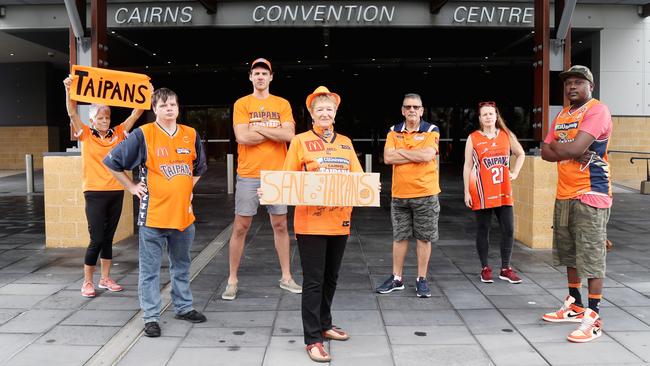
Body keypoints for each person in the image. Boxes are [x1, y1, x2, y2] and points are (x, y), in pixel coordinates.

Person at [104, 88, 208, 338]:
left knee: (181, 265)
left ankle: (183, 307)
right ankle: (151, 316)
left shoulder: (190, 134)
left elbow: (199, 167)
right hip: (153, 216)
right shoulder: (144, 134)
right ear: (155, 110)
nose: (169, 109)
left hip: (184, 216)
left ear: (178, 107)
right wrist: (130, 186)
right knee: (149, 270)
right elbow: (111, 161)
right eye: (163, 106)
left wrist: (188, 189)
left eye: (173, 104)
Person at [273, 86, 363, 363]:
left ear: (335, 113)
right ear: (312, 114)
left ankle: (325, 324)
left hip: (340, 221)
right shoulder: (300, 141)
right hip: (310, 223)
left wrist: (371, 187)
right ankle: (313, 338)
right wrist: (272, 189)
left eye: (329, 109)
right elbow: (288, 179)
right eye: (320, 109)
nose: (325, 113)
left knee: (331, 278)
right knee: (314, 281)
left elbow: (358, 178)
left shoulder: (346, 142)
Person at [541, 65, 613, 343]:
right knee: (569, 253)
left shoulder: (597, 110)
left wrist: (566, 147)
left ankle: (593, 316)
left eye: (578, 82)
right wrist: (570, 148)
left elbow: (564, 148)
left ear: (590, 86)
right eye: (568, 83)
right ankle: (575, 304)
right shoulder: (561, 115)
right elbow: (545, 151)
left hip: (591, 192)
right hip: (565, 193)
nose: (572, 87)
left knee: (592, 257)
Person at [223, 57, 301, 300]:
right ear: (250, 77)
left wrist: (257, 129)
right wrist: (273, 133)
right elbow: (242, 138)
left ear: (271, 77)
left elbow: (289, 135)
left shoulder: (282, 103)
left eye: (264, 73)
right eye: (255, 73)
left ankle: (286, 277)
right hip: (248, 174)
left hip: (277, 173)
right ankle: (232, 279)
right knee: (240, 227)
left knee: (280, 225)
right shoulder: (241, 104)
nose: (260, 77)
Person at [63, 76, 143, 298]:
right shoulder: (86, 134)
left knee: (108, 238)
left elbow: (135, 114)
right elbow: (71, 113)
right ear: (92, 120)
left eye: (107, 117)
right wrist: (68, 90)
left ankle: (105, 278)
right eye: (100, 117)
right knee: (96, 238)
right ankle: (87, 282)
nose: (105, 120)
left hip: (116, 192)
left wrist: (145, 92)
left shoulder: (118, 133)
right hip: (94, 193)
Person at [376, 93, 440, 298]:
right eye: (408, 107)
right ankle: (397, 278)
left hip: (425, 194)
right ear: (402, 111)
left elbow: (428, 155)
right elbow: (387, 157)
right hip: (399, 195)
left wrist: (400, 151)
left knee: (424, 238)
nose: (412, 110)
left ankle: (421, 279)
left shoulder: (431, 130)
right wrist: (414, 154)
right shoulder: (393, 131)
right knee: (400, 237)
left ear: (422, 110)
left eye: (416, 107)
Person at [462, 101, 525, 284]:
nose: (488, 117)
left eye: (491, 113)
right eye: (485, 114)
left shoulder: (506, 135)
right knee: (483, 229)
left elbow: (520, 154)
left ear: (496, 116)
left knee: (509, 229)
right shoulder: (473, 138)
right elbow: (467, 166)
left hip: (503, 189)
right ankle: (485, 268)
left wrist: (515, 172)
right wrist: (466, 191)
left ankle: (505, 268)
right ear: (480, 118)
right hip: (481, 190)